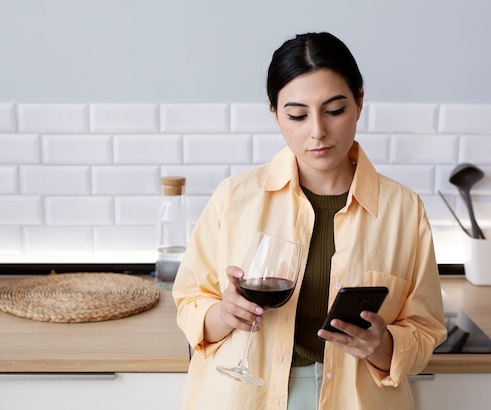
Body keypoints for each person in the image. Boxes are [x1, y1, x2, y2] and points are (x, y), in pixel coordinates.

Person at [172, 32, 447, 410]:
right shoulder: (234, 197)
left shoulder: (404, 210)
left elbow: (426, 330)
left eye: (334, 111)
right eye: (297, 115)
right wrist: (222, 313)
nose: (317, 131)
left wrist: (382, 346)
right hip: (245, 397)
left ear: (360, 101)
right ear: (275, 113)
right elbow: (188, 301)